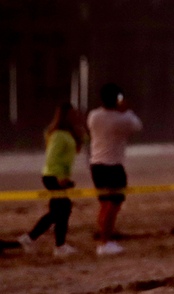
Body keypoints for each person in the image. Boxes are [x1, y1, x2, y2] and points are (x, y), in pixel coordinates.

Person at [18, 103, 83, 258]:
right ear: (65, 116)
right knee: (62, 210)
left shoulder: (69, 132)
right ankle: (52, 244)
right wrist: (60, 177)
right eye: (73, 113)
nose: (76, 115)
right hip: (53, 175)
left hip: (59, 175)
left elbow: (82, 143)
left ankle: (33, 239)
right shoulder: (58, 134)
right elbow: (52, 157)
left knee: (60, 211)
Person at [87, 84, 141, 255]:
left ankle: (104, 235)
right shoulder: (122, 119)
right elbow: (137, 126)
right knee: (113, 206)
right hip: (113, 165)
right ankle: (105, 241)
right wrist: (126, 110)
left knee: (104, 205)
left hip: (96, 165)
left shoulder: (93, 116)